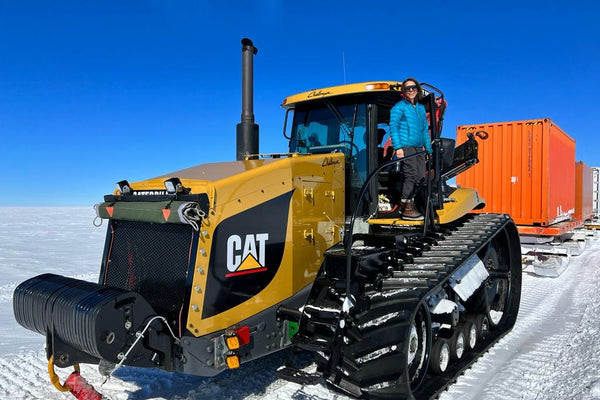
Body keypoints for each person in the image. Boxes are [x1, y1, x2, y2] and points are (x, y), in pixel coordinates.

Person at [388, 78, 432, 220]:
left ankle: (412, 203)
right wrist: (398, 147)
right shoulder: (398, 108)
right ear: (404, 92)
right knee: (410, 174)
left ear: (417, 89)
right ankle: (405, 207)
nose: (411, 90)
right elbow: (393, 128)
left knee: (420, 177)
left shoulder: (420, 108)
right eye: (408, 88)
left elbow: (425, 130)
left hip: (419, 146)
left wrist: (428, 150)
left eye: (413, 87)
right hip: (406, 145)